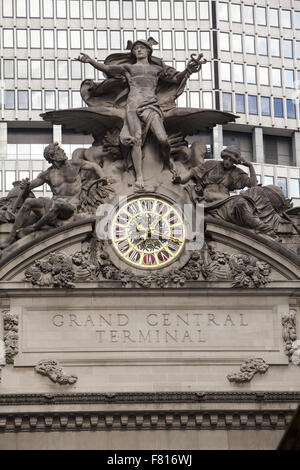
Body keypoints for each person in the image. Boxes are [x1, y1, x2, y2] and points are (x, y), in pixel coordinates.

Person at [77, 38, 204, 189]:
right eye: (136, 48)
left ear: (148, 51)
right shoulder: (129, 68)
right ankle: (139, 176)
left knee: (163, 139)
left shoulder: (156, 69)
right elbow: (108, 70)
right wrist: (91, 61)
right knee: (136, 140)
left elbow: (175, 78)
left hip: (151, 105)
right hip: (132, 106)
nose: (138, 50)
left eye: (141, 48)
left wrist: (188, 70)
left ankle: (167, 162)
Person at [0, 142, 107, 249]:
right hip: (52, 206)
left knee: (59, 203)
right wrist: (25, 186)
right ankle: (11, 237)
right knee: (29, 202)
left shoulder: (75, 164)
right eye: (59, 151)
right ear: (52, 156)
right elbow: (30, 186)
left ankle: (33, 228)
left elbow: (94, 166)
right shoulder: (48, 174)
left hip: (70, 207)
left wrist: (104, 179)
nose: (63, 151)